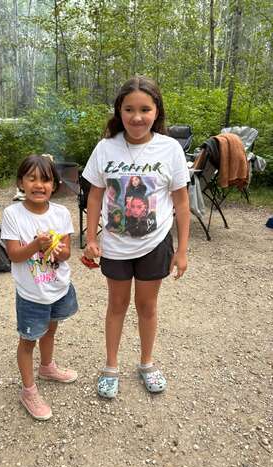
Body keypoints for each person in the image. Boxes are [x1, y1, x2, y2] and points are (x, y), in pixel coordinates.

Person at [82, 76, 190, 399]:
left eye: (145, 109)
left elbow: (182, 204)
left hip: (154, 244)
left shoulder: (170, 149)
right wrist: (91, 238)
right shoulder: (106, 147)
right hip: (115, 246)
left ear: (157, 111)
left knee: (147, 306)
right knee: (116, 305)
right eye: (129, 109)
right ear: (119, 110)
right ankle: (111, 366)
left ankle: (147, 363)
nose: (137, 117)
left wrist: (182, 250)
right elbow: (94, 197)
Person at [1, 154, 78, 420]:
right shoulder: (13, 214)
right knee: (28, 340)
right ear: (21, 182)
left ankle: (47, 367)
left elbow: (67, 253)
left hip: (58, 287)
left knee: (51, 329)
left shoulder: (61, 213)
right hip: (32, 294)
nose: (38, 185)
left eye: (45, 179)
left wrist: (56, 250)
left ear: (54, 185)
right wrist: (36, 245)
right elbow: (14, 255)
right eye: (31, 178)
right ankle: (28, 390)